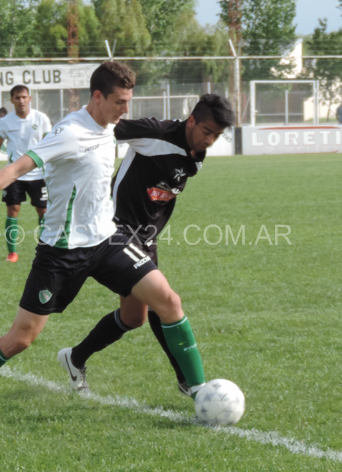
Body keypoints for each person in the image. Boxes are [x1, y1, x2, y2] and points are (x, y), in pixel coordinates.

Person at [0, 61, 206, 425]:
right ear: (98, 97)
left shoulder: (111, 126)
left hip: (107, 240)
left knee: (168, 301)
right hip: (61, 253)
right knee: (20, 339)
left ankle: (200, 393)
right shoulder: (70, 132)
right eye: (119, 102)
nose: (126, 109)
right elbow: (17, 168)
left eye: (129, 101)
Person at [58, 94, 235, 396]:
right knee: (165, 302)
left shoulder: (197, 153)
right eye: (207, 131)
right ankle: (191, 383)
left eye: (216, 135)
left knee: (133, 317)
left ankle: (75, 358)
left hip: (145, 239)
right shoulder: (156, 133)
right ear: (191, 120)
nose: (210, 140)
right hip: (115, 230)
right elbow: (104, 127)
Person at [0, 86, 52, 262]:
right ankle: (12, 252)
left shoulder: (41, 118)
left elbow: (51, 143)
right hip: (14, 175)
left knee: (43, 211)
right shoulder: (6, 122)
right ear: (12, 100)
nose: (21, 101)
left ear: (29, 98)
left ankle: (44, 251)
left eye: (24, 97)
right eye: (17, 98)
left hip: (38, 174)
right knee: (13, 210)